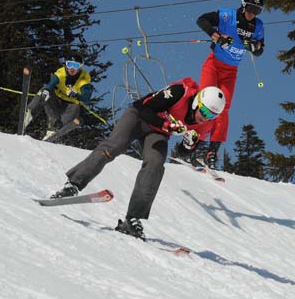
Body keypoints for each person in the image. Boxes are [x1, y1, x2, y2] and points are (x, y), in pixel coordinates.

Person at [49, 78, 226, 240]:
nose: (204, 117)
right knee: (114, 146)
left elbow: (182, 153)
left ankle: (133, 218)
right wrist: (166, 124)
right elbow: (144, 108)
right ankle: (73, 184)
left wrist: (188, 146)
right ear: (197, 102)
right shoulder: (180, 92)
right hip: (138, 117)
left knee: (155, 164)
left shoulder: (205, 125)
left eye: (211, 115)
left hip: (157, 133)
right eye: (203, 110)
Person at [194, 0, 265, 167]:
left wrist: (253, 46)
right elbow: (202, 19)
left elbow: (260, 49)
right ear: (243, 5)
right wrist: (217, 36)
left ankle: (212, 151)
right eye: (250, 8)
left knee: (223, 109)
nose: (252, 13)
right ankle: (194, 142)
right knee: (205, 101)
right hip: (214, 65)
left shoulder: (258, 26)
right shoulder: (228, 16)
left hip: (231, 71)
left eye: (257, 10)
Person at [24, 57, 94, 140]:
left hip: (69, 107)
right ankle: (29, 113)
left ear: (80, 67)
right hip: (55, 102)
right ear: (66, 65)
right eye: (70, 64)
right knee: (45, 91)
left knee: (76, 106)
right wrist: (46, 91)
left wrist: (77, 95)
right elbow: (49, 85)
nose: (72, 68)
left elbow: (85, 99)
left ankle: (54, 129)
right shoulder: (61, 73)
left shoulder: (84, 79)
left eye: (75, 66)